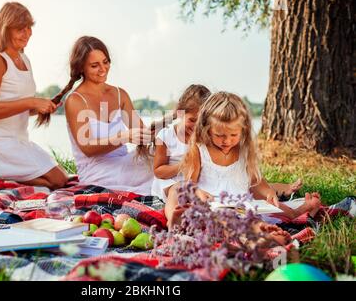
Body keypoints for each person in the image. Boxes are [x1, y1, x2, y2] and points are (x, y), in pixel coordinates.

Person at [165, 91, 321, 229]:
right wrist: (198, 192)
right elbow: (189, 184)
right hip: (210, 206)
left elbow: (255, 181)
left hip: (240, 207)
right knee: (176, 189)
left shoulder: (243, 150)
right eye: (220, 136)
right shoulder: (200, 149)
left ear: (243, 131)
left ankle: (296, 213)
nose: (227, 141)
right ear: (206, 129)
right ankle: (174, 221)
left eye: (234, 135)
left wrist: (268, 192)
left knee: (267, 204)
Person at [0, 2, 68, 189]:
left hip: (18, 141)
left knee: (62, 178)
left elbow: (18, 109)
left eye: (29, 28)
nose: (27, 33)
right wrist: (32, 101)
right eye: (20, 28)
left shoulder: (24, 59)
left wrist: (39, 108)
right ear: (5, 28)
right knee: (57, 181)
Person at [37, 36, 153, 194]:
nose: (103, 69)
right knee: (160, 176)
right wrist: (124, 136)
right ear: (81, 68)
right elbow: (88, 148)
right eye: (94, 65)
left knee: (169, 159)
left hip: (124, 163)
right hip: (97, 173)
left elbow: (142, 134)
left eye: (105, 62)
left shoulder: (120, 94)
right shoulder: (75, 101)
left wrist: (162, 133)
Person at [152, 85, 303, 202]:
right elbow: (158, 170)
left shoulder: (208, 139)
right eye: (192, 120)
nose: (196, 126)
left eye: (200, 121)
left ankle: (280, 190)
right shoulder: (165, 136)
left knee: (244, 184)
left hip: (199, 180)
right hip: (174, 180)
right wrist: (183, 165)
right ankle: (173, 219)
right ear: (180, 113)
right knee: (178, 192)